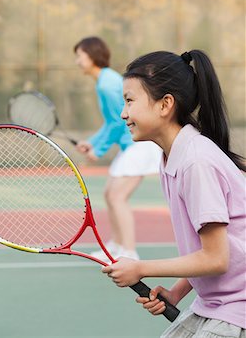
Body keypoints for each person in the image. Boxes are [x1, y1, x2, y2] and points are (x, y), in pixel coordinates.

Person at [102, 50, 246, 337]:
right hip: (214, 303)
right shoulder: (173, 156)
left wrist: (141, 268)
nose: (123, 113)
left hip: (237, 308)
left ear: (165, 104)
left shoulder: (196, 161)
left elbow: (216, 258)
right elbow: (208, 250)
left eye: (130, 101)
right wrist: (177, 292)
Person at [74, 37, 161, 262]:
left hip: (138, 145)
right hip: (129, 145)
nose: (77, 61)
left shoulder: (106, 83)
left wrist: (99, 150)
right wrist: (93, 142)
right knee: (110, 194)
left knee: (117, 197)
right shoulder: (105, 80)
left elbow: (118, 121)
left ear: (93, 56)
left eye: (80, 56)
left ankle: (129, 252)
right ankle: (116, 245)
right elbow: (111, 122)